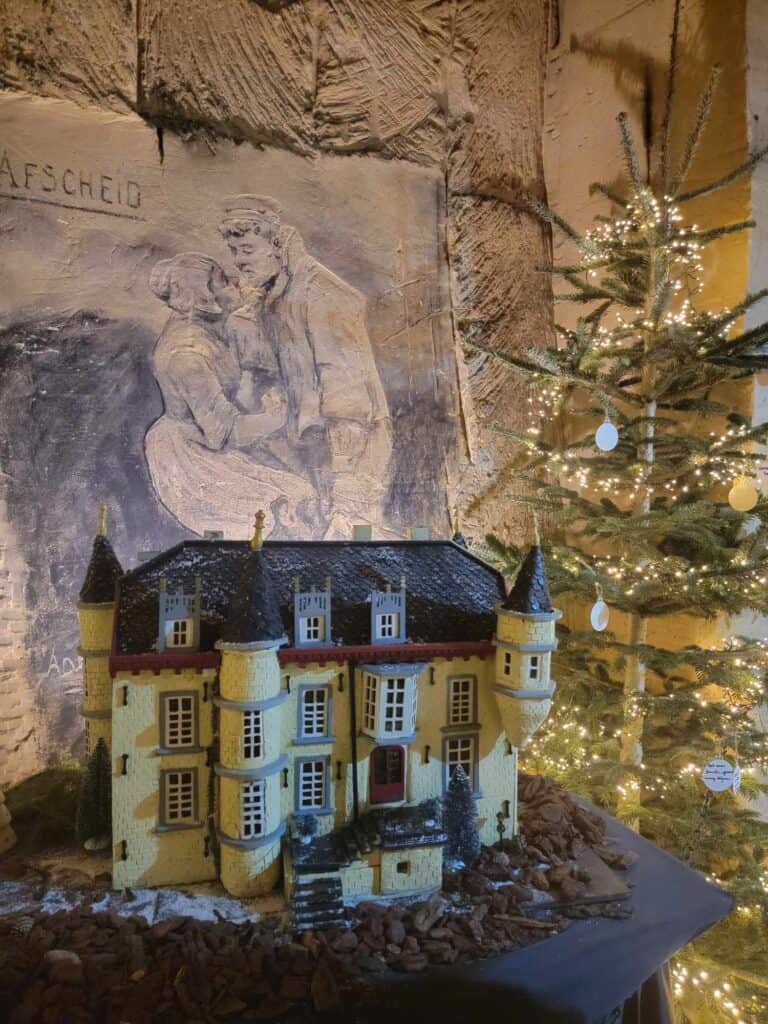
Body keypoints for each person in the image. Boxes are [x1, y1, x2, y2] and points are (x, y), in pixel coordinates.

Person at [219, 196, 393, 539]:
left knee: (349, 540)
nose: (239, 262)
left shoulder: (322, 294)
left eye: (248, 250)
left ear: (276, 245)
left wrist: (345, 471)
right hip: (309, 443)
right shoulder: (275, 297)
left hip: (350, 444)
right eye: (235, 252)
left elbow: (346, 386)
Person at [144, 252, 322, 539]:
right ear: (202, 296)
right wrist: (279, 417)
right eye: (223, 281)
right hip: (192, 459)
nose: (235, 284)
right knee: (289, 503)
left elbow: (237, 389)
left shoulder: (206, 329)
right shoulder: (186, 356)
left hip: (214, 440)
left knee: (304, 488)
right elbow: (222, 434)